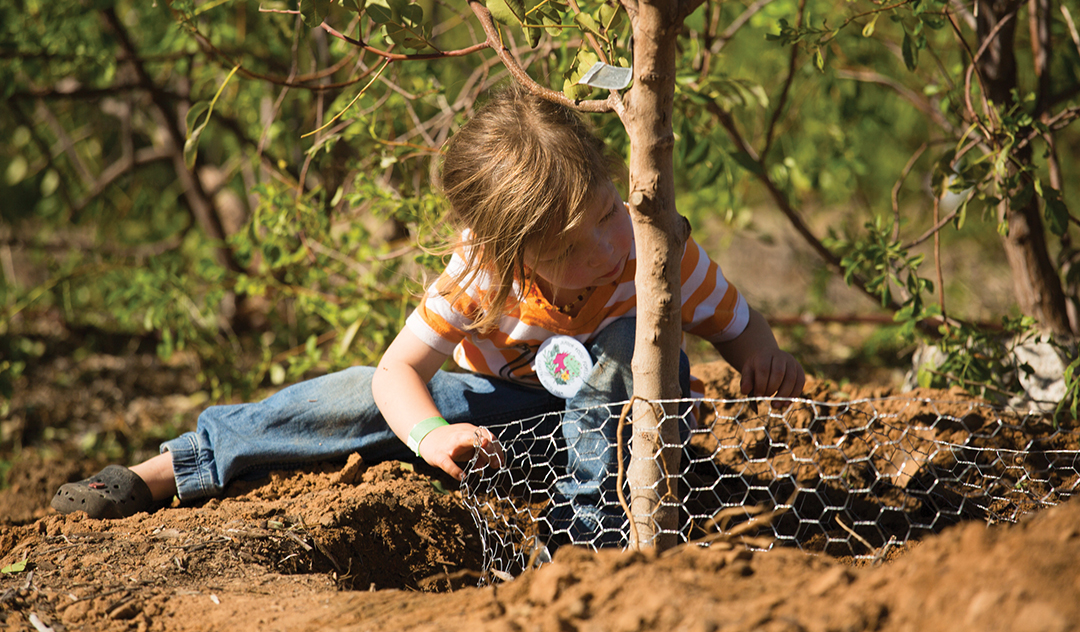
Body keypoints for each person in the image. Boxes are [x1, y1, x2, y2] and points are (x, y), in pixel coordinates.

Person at [51, 86, 805, 547]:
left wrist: (762, 361)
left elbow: (740, 327)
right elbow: (398, 371)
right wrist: (430, 432)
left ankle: (585, 543)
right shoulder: (482, 274)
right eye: (574, 246)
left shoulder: (655, 252)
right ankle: (170, 470)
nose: (611, 243)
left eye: (610, 211)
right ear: (516, 256)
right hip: (506, 426)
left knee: (622, 352)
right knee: (352, 392)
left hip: (629, 434)